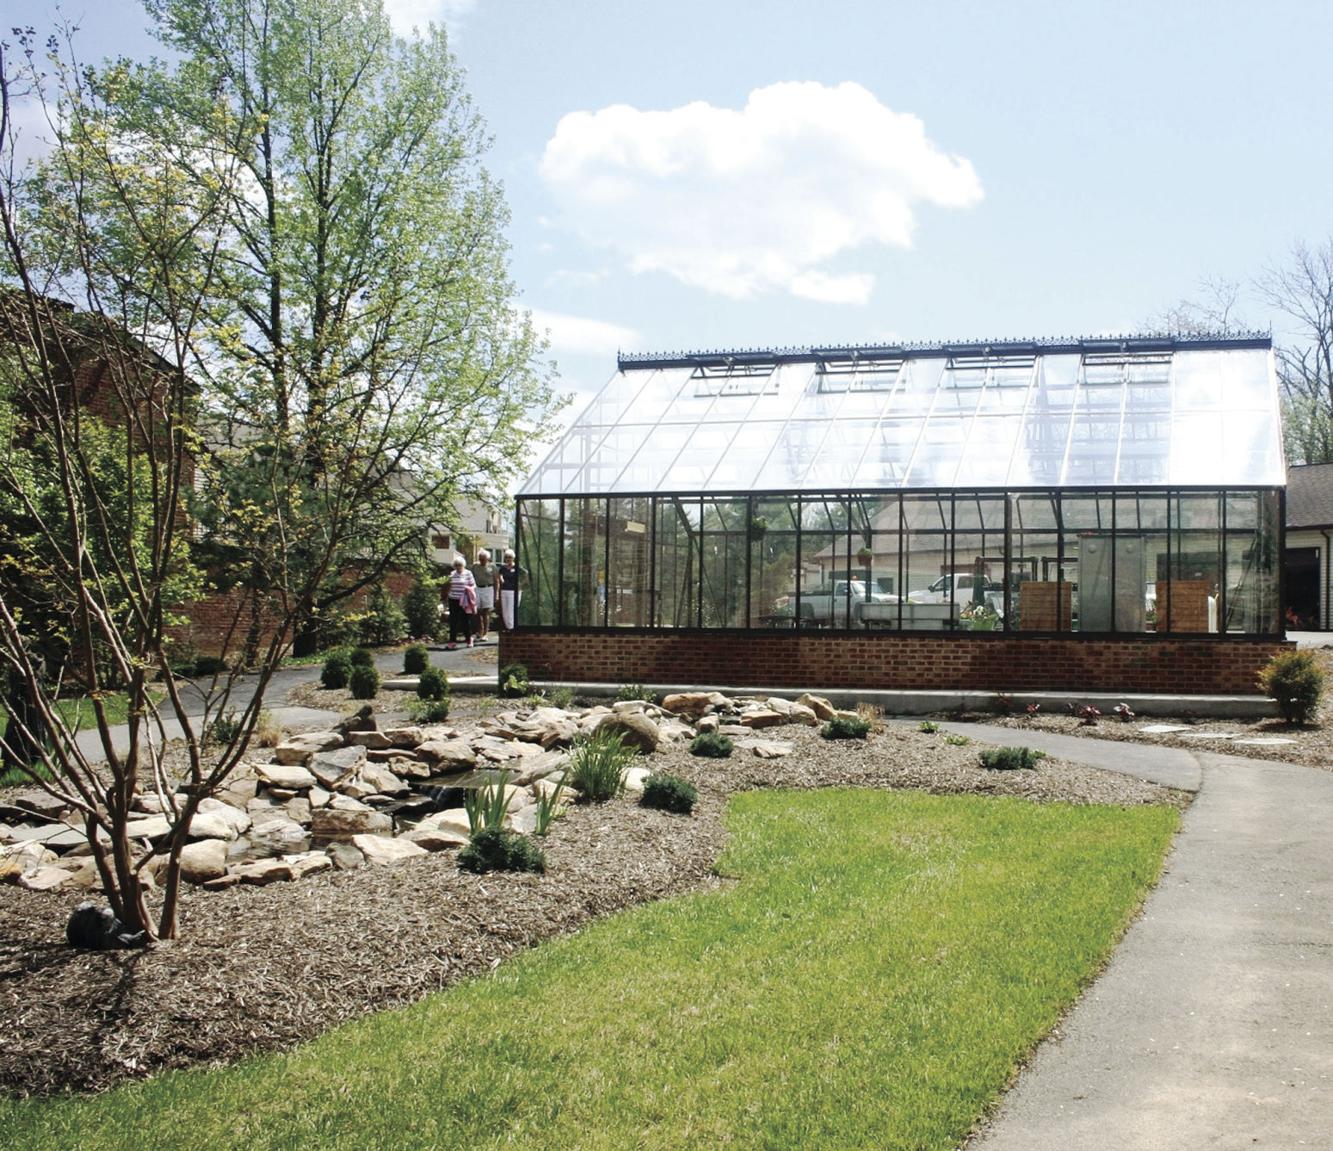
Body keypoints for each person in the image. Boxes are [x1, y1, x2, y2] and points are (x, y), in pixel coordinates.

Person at [445, 555, 477, 649]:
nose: (458, 567)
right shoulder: (452, 574)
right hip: (453, 599)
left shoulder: (468, 573)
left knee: (465, 621)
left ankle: (468, 639)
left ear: (463, 565)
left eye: (460, 565)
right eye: (456, 565)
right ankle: (452, 641)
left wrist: (469, 589)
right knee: (453, 621)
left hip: (464, 600)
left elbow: (473, 585)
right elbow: (448, 586)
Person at [472, 549, 496, 642]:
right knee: (477, 611)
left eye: (484, 559)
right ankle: (479, 631)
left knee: (486, 611)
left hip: (488, 588)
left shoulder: (492, 567)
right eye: (480, 559)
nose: (482, 561)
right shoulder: (475, 566)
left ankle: (485, 633)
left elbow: (496, 580)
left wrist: (496, 594)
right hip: (477, 588)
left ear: (487, 559)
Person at [498, 549, 522, 631]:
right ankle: (507, 627)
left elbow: (525, 574)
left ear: (513, 558)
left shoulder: (517, 567)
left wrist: (521, 585)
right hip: (504, 590)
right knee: (505, 610)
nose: (508, 559)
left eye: (510, 557)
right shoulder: (503, 567)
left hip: (513, 591)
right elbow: (500, 575)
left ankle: (511, 628)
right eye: (507, 557)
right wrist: (501, 579)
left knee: (510, 610)